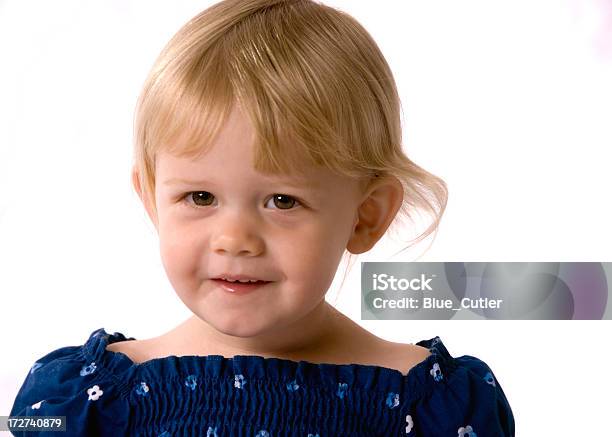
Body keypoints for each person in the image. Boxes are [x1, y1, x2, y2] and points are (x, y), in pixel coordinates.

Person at [9, 0, 515, 435]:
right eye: (201, 197)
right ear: (151, 200)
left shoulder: (431, 405)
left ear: (366, 216)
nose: (235, 239)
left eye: (282, 201)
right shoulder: (83, 402)